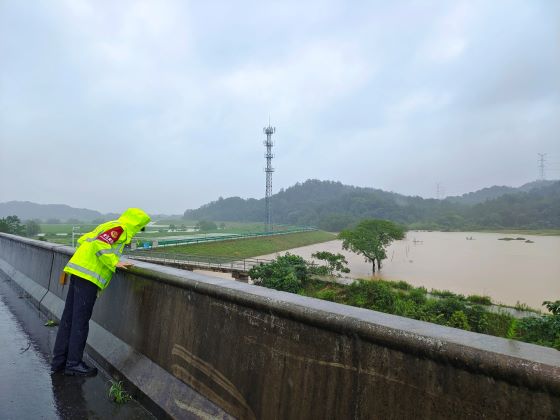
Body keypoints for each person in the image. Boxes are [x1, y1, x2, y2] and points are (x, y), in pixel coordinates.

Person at [51, 208, 150, 376]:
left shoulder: (109, 224)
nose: (138, 232)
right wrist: (114, 262)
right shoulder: (121, 229)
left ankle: (58, 361)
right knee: (80, 321)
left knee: (69, 318)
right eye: (140, 228)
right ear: (135, 223)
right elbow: (100, 244)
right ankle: (73, 364)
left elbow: (84, 240)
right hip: (88, 277)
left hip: (78, 271)